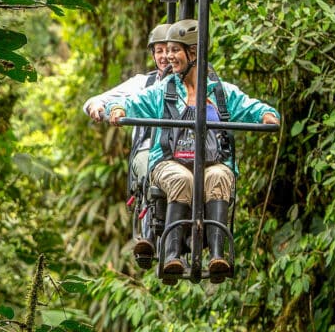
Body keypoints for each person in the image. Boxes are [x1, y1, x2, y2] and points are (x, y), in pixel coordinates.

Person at [107, 19, 280, 282]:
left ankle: (218, 255)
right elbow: (135, 103)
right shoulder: (165, 90)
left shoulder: (219, 91)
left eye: (176, 50)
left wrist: (267, 114)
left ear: (193, 53)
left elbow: (249, 106)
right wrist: (119, 110)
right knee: (182, 179)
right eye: (168, 50)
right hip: (170, 161)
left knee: (220, 177)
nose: (170, 57)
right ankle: (171, 253)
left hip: (212, 160)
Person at [82, 23, 171, 265]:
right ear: (153, 54)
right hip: (150, 149)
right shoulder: (144, 84)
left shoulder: (193, 84)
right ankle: (150, 235)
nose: (165, 57)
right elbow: (101, 99)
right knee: (150, 169)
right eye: (159, 51)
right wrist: (99, 106)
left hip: (184, 148)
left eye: (169, 50)